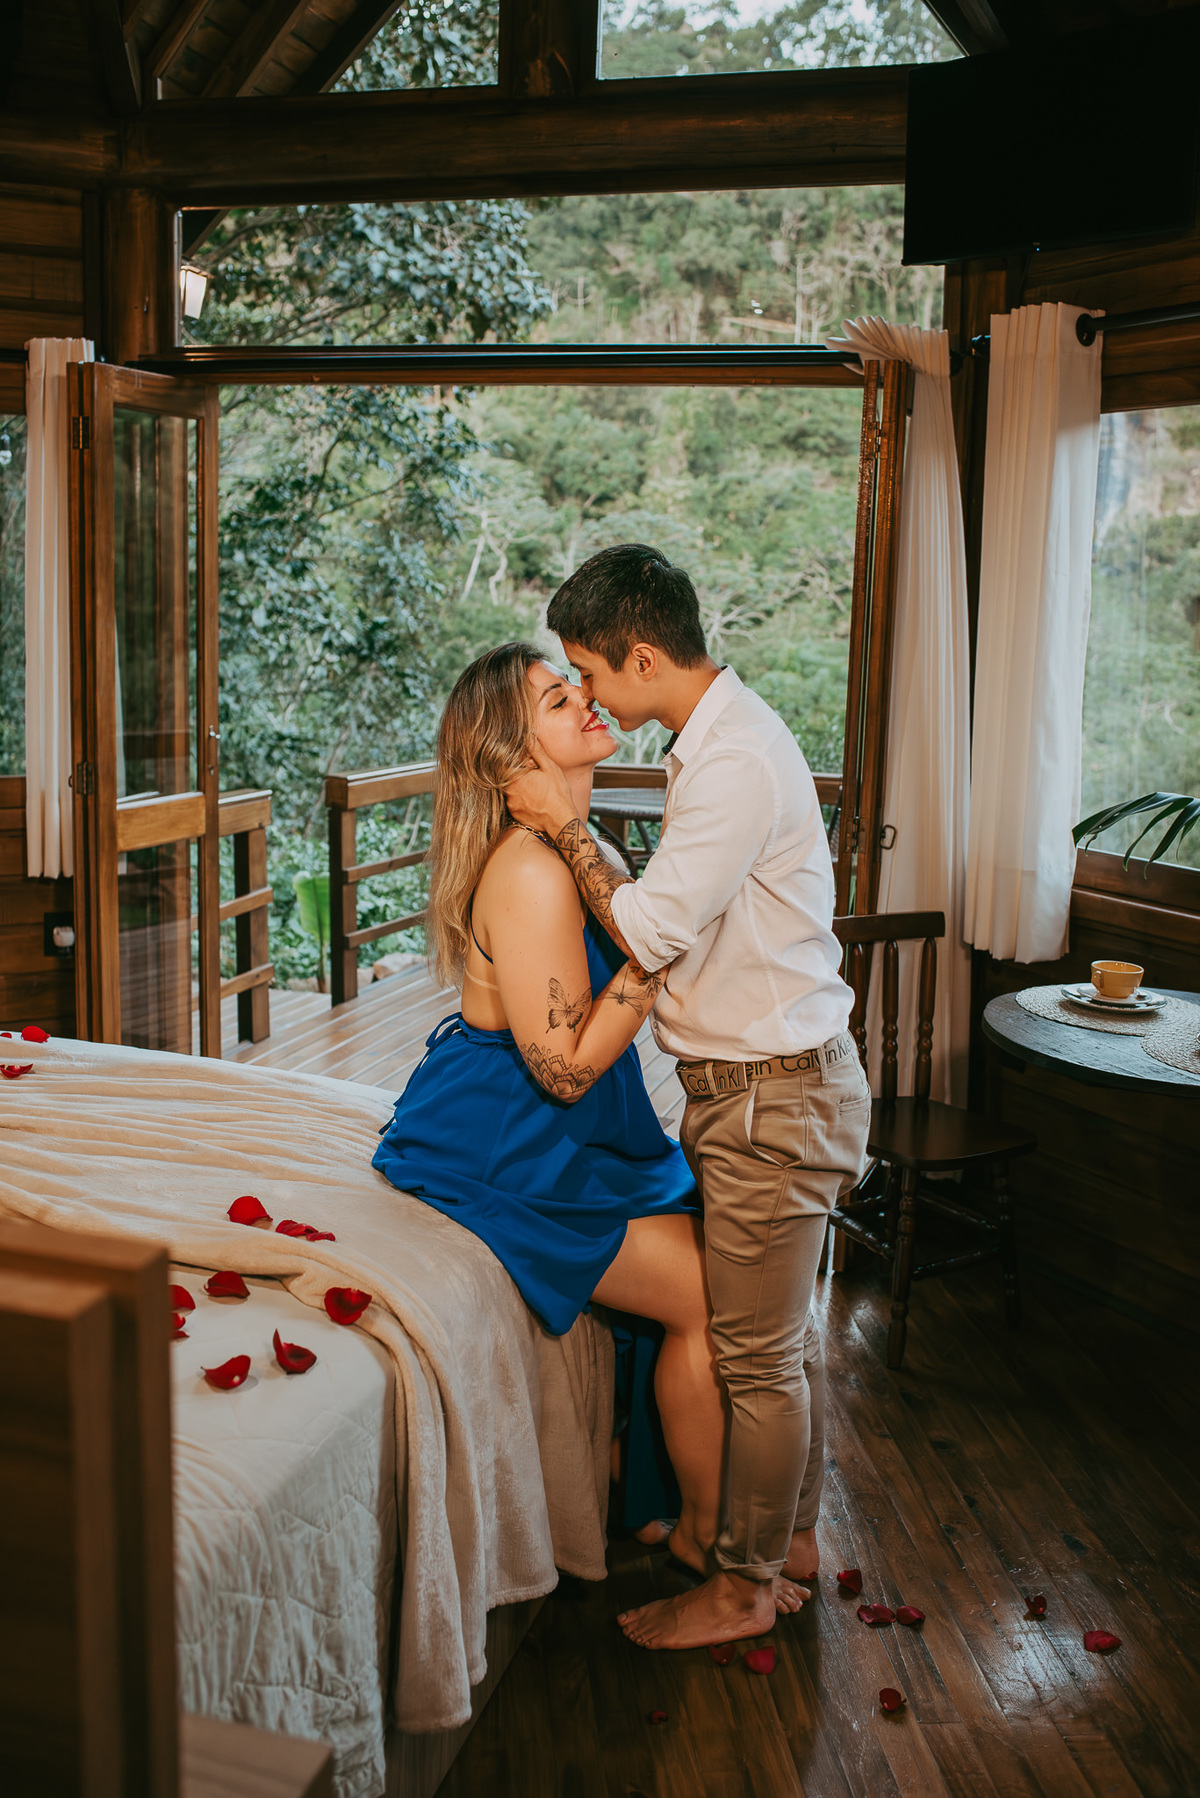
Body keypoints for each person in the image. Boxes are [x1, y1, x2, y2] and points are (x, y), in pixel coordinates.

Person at [372, 642, 805, 1608]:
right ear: (510, 757)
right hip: (512, 1136)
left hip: (569, 1123)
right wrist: (656, 963)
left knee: (706, 1252)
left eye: (577, 686)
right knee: (702, 1297)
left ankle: (647, 1493)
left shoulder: (578, 843)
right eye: (557, 699)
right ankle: (703, 1538)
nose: (586, 702)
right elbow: (564, 1068)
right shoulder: (530, 872)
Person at [506, 544, 871, 1652]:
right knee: (784, 1345)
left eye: (587, 671)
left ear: (642, 656)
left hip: (772, 1099)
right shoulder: (718, 743)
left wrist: (564, 825)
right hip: (774, 1089)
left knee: (758, 1359)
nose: (588, 695)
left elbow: (651, 929)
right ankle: (788, 1544)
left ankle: (742, 1586)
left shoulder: (733, 761)